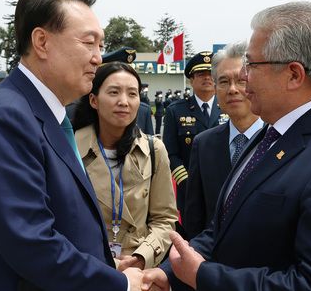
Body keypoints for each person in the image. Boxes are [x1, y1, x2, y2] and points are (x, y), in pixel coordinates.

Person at [143, 1, 311, 291]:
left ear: (294, 74)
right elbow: (225, 228)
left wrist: (203, 276)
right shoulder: (275, 133)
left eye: (252, 65)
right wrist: (172, 272)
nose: (243, 76)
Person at [0, 0, 143, 291]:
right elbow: (31, 242)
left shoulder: (48, 115)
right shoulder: (6, 118)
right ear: (42, 42)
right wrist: (117, 283)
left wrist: (103, 263)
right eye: (88, 43)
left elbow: (63, 219)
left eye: (100, 45)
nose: (98, 58)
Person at [73, 62, 177, 270]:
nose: (124, 102)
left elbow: (164, 219)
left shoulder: (154, 150)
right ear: (94, 100)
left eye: (132, 94)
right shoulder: (70, 148)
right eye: (113, 92)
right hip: (86, 266)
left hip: (138, 268)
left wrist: (142, 256)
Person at [183, 41, 263, 239]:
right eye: (224, 82)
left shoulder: (280, 139)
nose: (232, 89)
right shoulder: (204, 144)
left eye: (241, 81)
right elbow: (195, 216)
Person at [162, 51, 221, 225]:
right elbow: (170, 153)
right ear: (191, 80)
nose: (207, 78)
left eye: (211, 73)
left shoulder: (228, 107)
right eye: (201, 74)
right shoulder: (176, 110)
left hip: (224, 188)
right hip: (189, 191)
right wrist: (188, 182)